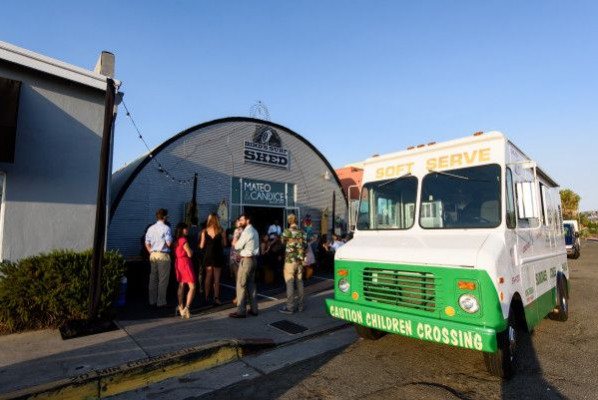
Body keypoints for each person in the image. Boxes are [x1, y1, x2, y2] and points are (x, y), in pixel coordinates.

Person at [229, 213, 259, 318]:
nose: (240, 221)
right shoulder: (255, 231)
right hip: (253, 260)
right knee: (251, 285)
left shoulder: (247, 232)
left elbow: (237, 246)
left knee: (241, 285)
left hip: (246, 260)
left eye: (242, 220)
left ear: (247, 220)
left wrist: (236, 237)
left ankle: (241, 311)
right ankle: (254, 309)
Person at [144, 208, 173, 308]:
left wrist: (150, 251)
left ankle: (151, 300)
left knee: (153, 278)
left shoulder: (150, 228)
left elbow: (147, 242)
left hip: (153, 254)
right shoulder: (166, 228)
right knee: (163, 279)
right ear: (164, 217)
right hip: (163, 254)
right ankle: (161, 301)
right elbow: (169, 243)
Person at [280, 213, 307, 314]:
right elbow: (305, 245)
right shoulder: (302, 232)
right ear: (296, 220)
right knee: (300, 282)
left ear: (288, 221)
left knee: (290, 282)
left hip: (290, 261)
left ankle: (290, 307)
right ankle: (300, 306)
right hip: (300, 261)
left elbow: (282, 242)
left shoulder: (286, 232)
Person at [200, 213, 227, 305]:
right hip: (218, 255)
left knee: (208, 276)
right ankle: (216, 298)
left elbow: (201, 245)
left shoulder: (204, 231)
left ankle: (206, 297)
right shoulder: (221, 230)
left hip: (208, 255)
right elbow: (225, 244)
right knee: (217, 278)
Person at [173, 223, 196, 319]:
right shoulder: (183, 240)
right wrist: (192, 251)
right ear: (182, 230)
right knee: (192, 286)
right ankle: (187, 307)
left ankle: (180, 306)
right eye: (186, 229)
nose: (187, 230)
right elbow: (190, 254)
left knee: (181, 284)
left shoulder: (176, 240)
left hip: (178, 263)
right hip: (185, 263)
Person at [229, 218, 243, 305]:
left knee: (238, 277)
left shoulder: (238, 231)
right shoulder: (242, 231)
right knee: (239, 277)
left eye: (238, 221)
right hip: (238, 254)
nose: (236, 222)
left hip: (236, 254)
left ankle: (239, 297)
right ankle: (240, 296)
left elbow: (234, 243)